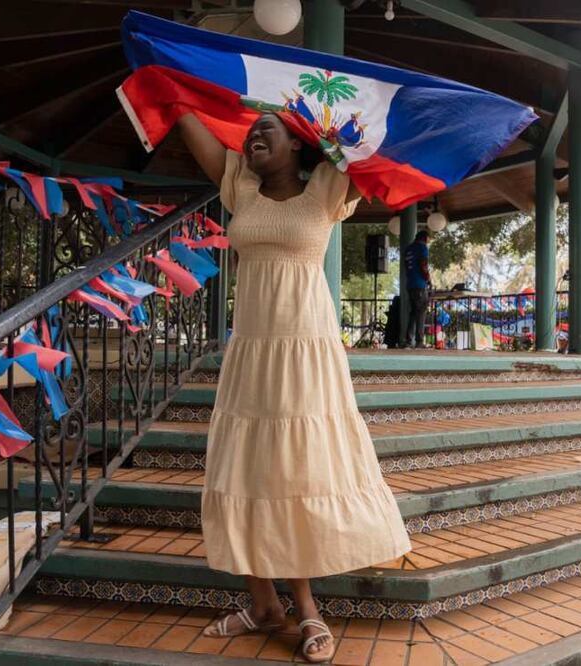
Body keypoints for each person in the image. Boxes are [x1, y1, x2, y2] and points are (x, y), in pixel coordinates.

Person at [176, 112, 411, 662]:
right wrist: (170, 73)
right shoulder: (241, 187)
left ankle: (307, 609)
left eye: (269, 131)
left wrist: (337, 131)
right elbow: (188, 119)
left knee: (294, 471)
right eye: (251, 132)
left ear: (297, 147)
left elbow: (373, 143)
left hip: (305, 351)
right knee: (248, 470)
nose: (255, 137)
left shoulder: (326, 187)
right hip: (253, 352)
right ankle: (264, 606)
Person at [402, 230, 432, 348]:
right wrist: (428, 278)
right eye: (428, 239)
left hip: (410, 284)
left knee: (414, 312)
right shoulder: (422, 248)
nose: (428, 241)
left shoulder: (408, 249)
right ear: (424, 238)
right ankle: (419, 342)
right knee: (421, 312)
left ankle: (409, 341)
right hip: (420, 284)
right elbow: (423, 265)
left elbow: (407, 266)